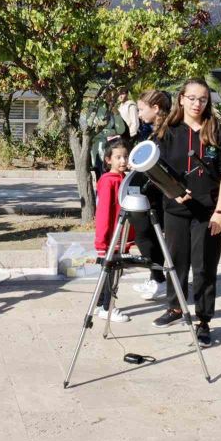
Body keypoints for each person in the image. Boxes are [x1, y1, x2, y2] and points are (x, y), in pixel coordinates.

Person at [152, 79, 221, 348]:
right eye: (191, 98)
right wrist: (171, 190)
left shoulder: (217, 132)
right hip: (176, 211)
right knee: (176, 262)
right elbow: (153, 168)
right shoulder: (167, 131)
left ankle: (203, 320)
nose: (196, 103)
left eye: (202, 99)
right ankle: (176, 307)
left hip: (208, 214)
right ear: (181, 99)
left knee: (204, 267)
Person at [131, 89, 172, 301]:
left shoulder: (168, 133)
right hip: (152, 195)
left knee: (150, 237)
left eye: (141, 109)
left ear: (155, 108)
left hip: (162, 196)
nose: (138, 114)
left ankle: (160, 280)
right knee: (146, 237)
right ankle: (156, 278)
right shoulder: (155, 131)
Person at [94, 137, 134, 323]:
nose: (123, 161)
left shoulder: (123, 178)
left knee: (109, 271)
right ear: (108, 159)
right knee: (113, 273)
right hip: (112, 238)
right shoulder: (108, 181)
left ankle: (101, 303)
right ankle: (107, 307)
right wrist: (102, 242)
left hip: (120, 237)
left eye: (125, 156)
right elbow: (103, 214)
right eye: (118, 157)